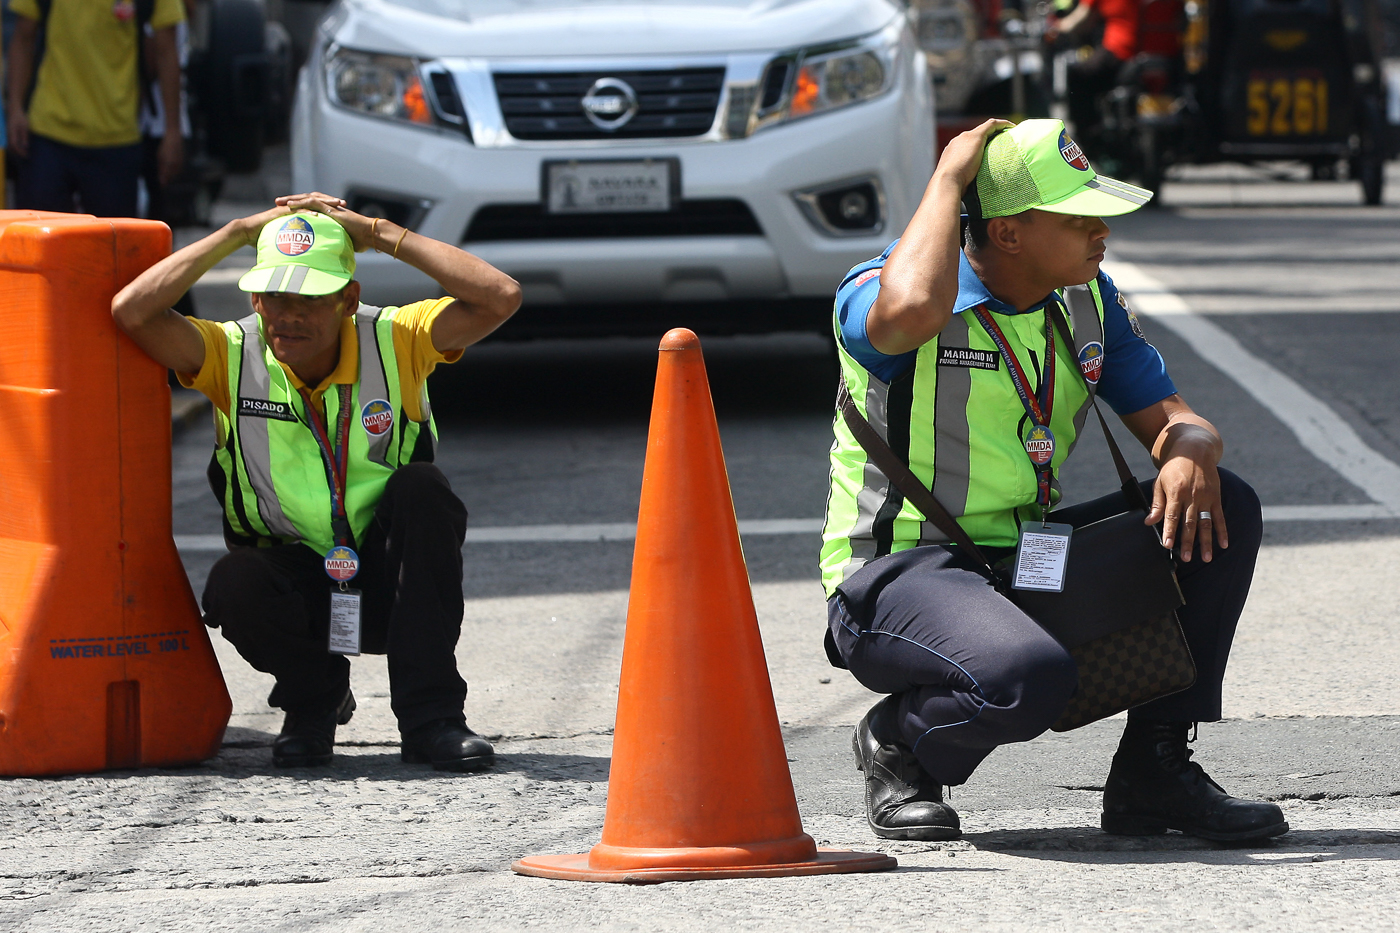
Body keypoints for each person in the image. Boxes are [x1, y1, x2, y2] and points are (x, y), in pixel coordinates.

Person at [820, 118, 1287, 843]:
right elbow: (907, 310)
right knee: (1030, 677)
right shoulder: (887, 289)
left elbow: (1173, 416)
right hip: (897, 574)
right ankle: (900, 742)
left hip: (1022, 560)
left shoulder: (1086, 299)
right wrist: (949, 176)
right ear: (1007, 232)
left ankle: (1153, 772)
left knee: (1225, 504)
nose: (1102, 231)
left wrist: (1190, 448)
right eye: (1079, 217)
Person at [112, 194, 523, 769]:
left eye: (309, 297)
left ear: (348, 299)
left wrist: (376, 233)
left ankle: (432, 720)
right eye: (275, 297)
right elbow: (131, 310)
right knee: (234, 582)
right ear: (256, 299)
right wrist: (238, 231)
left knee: (422, 490)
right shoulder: (231, 352)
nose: (289, 315)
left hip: (386, 582)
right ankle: (315, 701)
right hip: (297, 582)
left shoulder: (396, 338)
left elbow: (501, 295)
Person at [6, 0, 184, 215]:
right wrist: (15, 108)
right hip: (49, 131)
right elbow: (23, 37)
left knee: (111, 245)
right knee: (38, 244)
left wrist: (173, 130)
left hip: (116, 137)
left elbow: (167, 51)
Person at [1045, 0, 1140, 140]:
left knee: (1077, 75)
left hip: (1121, 50)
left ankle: (1087, 137)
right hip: (1166, 51)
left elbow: (1081, 19)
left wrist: (1056, 27)